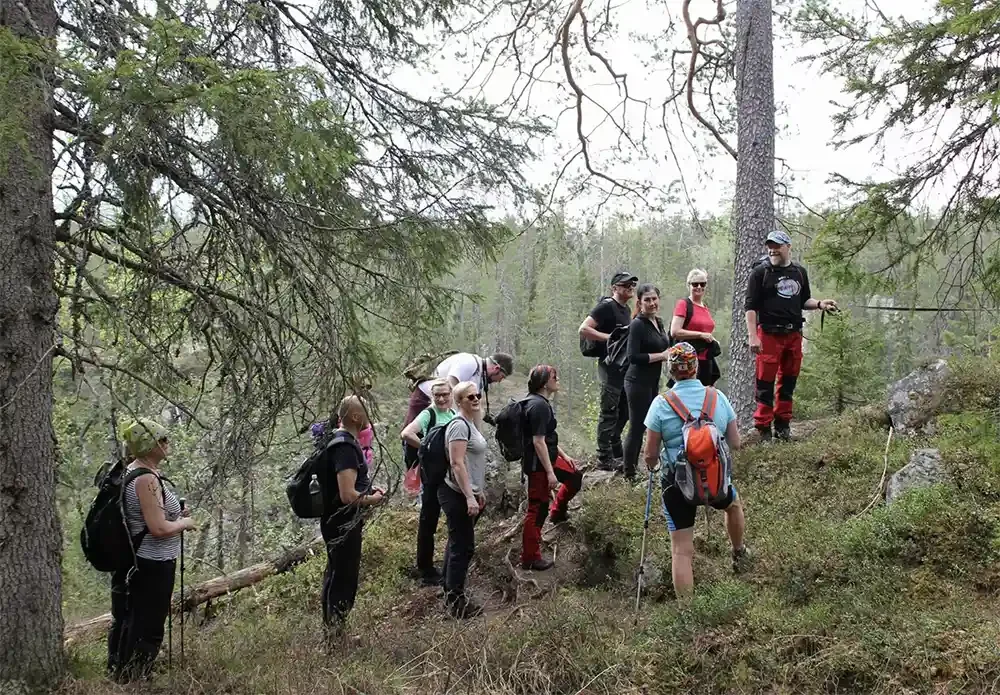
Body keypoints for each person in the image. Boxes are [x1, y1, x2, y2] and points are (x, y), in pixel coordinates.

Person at [643, 343, 751, 601]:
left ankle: (688, 614)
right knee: (733, 505)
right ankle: (738, 552)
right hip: (716, 481)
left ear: (670, 371)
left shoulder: (661, 403)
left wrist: (654, 464)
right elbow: (735, 442)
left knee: (682, 550)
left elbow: (649, 454)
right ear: (696, 368)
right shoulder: (717, 397)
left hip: (676, 485)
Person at [112, 418, 195, 682]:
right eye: (162, 440)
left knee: (135, 619)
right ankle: (136, 679)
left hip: (143, 561)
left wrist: (175, 514)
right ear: (150, 446)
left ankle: (124, 673)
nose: (167, 444)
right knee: (148, 625)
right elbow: (158, 528)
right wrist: (184, 523)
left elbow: (151, 517)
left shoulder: (139, 471)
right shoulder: (145, 478)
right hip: (152, 562)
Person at [744, 230, 838, 441]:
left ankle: (784, 425)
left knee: (788, 381)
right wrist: (753, 336)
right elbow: (750, 307)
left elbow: (804, 300)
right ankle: (763, 427)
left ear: (788, 247)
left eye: (777, 245)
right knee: (765, 382)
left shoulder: (799, 272)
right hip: (768, 334)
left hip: (794, 333)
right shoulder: (760, 273)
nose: (772, 250)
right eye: (770, 246)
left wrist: (821, 304)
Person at [317, 395, 384, 637]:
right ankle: (335, 637)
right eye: (366, 410)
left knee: (336, 574)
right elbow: (347, 495)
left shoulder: (342, 441)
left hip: (339, 521)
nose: (370, 415)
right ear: (355, 417)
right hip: (342, 522)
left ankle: (333, 633)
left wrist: (368, 492)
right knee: (343, 579)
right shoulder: (344, 447)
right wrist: (373, 499)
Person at [520, 365, 583, 570]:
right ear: (545, 381)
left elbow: (547, 437)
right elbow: (538, 442)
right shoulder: (538, 406)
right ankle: (530, 558)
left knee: (574, 476)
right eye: (555, 377)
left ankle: (558, 512)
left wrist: (565, 455)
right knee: (537, 509)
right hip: (539, 464)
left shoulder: (538, 403)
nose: (558, 380)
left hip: (549, 457)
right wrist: (549, 473)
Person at [402, 351, 513, 465]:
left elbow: (472, 404)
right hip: (425, 399)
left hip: (443, 406)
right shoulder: (470, 362)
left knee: (440, 447)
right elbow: (452, 380)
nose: (499, 381)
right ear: (496, 368)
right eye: (502, 377)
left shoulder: (479, 375)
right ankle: (413, 470)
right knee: (415, 440)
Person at [438, 381, 490, 618]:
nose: (476, 399)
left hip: (466, 493)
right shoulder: (459, 426)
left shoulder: (470, 423)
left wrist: (478, 491)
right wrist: (470, 496)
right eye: (470, 397)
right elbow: (457, 463)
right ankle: (457, 604)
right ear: (459, 402)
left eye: (477, 395)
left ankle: (448, 590)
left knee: (457, 543)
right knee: (463, 547)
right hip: (457, 494)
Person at [399, 379, 457, 586]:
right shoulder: (428, 414)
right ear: (432, 396)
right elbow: (406, 433)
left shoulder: (452, 415)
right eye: (437, 395)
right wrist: (428, 446)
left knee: (450, 519)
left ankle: (449, 563)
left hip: (449, 476)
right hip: (432, 476)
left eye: (445, 394)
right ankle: (425, 569)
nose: (441, 398)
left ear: (451, 395)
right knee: (428, 521)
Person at [578, 271, 637, 470]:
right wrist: (609, 338)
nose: (629, 288)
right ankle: (604, 457)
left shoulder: (625, 309)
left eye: (631, 285)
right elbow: (584, 329)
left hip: (623, 368)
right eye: (625, 285)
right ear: (614, 288)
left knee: (625, 410)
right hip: (609, 367)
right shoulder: (606, 306)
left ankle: (614, 446)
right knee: (609, 411)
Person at [622, 284, 670, 481]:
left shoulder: (658, 322)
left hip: (652, 382)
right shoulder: (638, 324)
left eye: (654, 299)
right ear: (640, 303)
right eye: (647, 300)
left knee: (653, 424)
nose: (652, 303)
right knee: (637, 427)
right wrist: (661, 356)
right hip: (636, 382)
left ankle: (650, 465)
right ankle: (629, 473)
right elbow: (633, 356)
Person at [668, 268, 721, 386]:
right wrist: (701, 335)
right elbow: (675, 331)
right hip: (687, 360)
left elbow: (706, 331)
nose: (699, 287)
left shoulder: (704, 307)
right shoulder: (683, 304)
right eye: (695, 284)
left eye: (702, 284)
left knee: (704, 397)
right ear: (689, 285)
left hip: (705, 359)